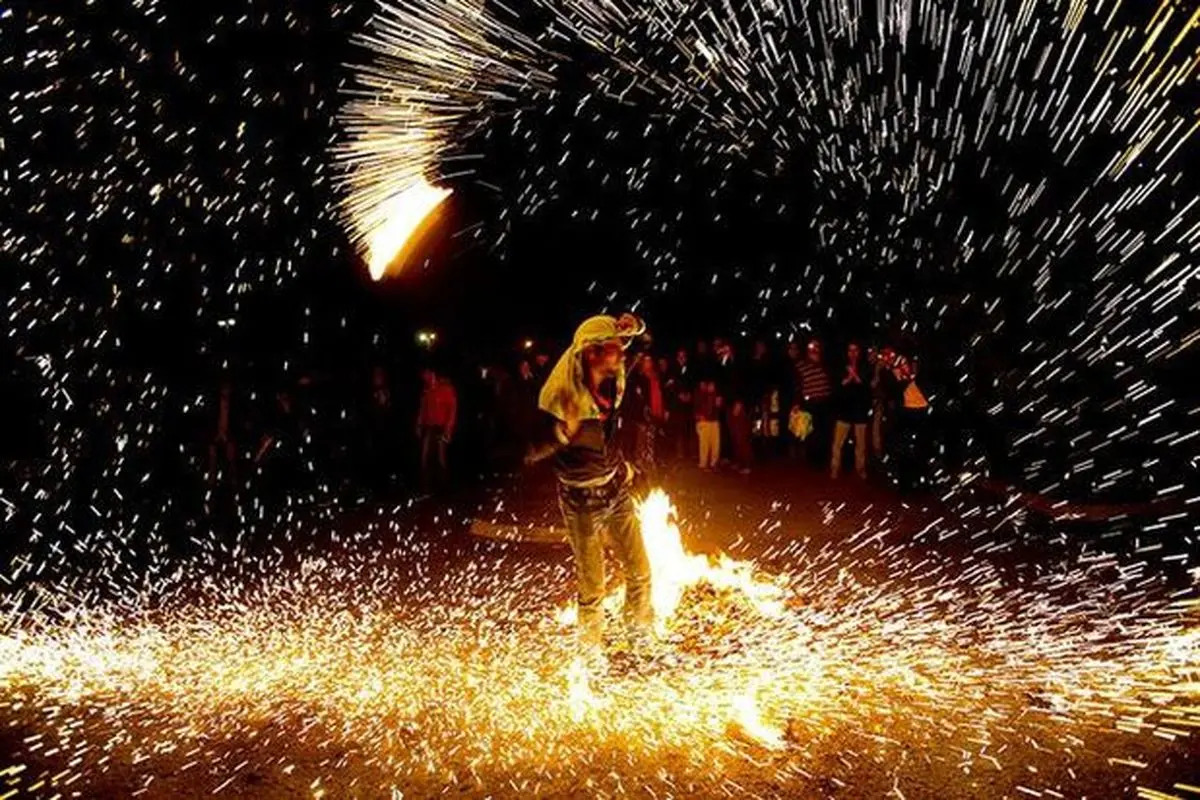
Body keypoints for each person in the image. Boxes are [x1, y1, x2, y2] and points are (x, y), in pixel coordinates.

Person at [524, 314, 654, 674]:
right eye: (613, 349)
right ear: (591, 354)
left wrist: (636, 326)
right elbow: (528, 449)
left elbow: (643, 344)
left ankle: (640, 635)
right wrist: (559, 434)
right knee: (593, 586)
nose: (621, 355)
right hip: (581, 501)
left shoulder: (612, 377)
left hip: (616, 489)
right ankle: (590, 655)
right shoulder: (561, 396)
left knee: (640, 570)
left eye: (618, 348)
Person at [831, 342, 871, 479]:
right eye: (850, 350)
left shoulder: (865, 367)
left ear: (859, 352)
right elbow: (839, 385)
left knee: (861, 444)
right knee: (838, 443)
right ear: (847, 352)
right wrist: (849, 376)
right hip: (843, 410)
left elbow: (864, 384)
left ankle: (861, 468)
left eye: (856, 350)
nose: (853, 353)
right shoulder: (841, 367)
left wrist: (854, 374)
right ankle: (835, 467)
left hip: (860, 410)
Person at [793, 338, 833, 468]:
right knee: (811, 432)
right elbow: (797, 385)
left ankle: (823, 460)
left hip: (825, 402)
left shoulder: (826, 364)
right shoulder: (801, 365)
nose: (814, 350)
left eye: (816, 347)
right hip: (810, 403)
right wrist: (797, 402)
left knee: (824, 432)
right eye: (811, 347)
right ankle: (813, 460)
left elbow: (832, 381)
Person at [416, 368, 457, 491]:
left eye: (426, 374)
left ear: (432, 373)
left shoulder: (446, 389)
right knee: (425, 456)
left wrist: (448, 430)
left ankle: (443, 487)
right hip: (430, 427)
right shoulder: (427, 390)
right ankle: (426, 485)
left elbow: (452, 411)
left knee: (440, 457)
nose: (424, 378)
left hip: (441, 428)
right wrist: (418, 424)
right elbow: (423, 409)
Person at [694, 379, 721, 470]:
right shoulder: (699, 394)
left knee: (715, 444)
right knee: (704, 444)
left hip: (714, 421)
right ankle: (703, 463)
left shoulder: (715, 395)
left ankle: (713, 463)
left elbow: (718, 406)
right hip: (704, 422)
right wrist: (698, 417)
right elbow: (696, 407)